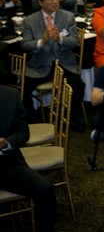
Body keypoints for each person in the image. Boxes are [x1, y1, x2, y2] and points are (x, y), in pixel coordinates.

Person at [22, 0, 86, 130]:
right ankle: (32, 122)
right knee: (24, 88)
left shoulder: (68, 17)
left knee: (78, 85)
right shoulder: (30, 21)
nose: (55, 1)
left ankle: (71, 119)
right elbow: (25, 45)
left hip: (64, 64)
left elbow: (74, 41)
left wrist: (60, 39)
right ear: (40, 2)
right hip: (40, 66)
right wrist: (42, 41)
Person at [0, 86, 56, 232]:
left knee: (44, 189)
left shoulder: (10, 95)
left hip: (7, 163)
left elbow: (23, 132)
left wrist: (7, 143)